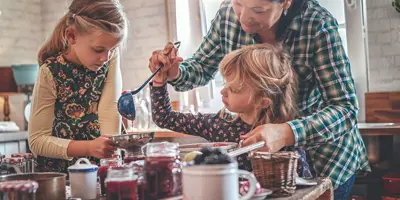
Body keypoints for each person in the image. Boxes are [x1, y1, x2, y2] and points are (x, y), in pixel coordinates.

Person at [149, 0, 370, 199]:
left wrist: (287, 132)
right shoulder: (228, 15)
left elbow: (345, 108)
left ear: (285, 2)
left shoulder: (317, 25)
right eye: (237, 3)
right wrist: (173, 73)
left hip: (326, 161)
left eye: (258, 10)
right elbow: (199, 68)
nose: (243, 18)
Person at [151, 44, 312, 177]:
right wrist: (159, 81)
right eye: (225, 84)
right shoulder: (218, 124)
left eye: (234, 89)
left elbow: (303, 187)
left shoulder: (282, 139)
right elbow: (164, 117)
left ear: (263, 101)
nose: (223, 91)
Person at [28, 0, 127, 173]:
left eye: (112, 49)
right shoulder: (50, 72)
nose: (105, 57)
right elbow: (37, 141)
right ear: (71, 36)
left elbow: (110, 109)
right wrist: (88, 148)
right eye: (98, 49)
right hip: (59, 174)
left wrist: (111, 163)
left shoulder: (108, 55)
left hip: (99, 168)